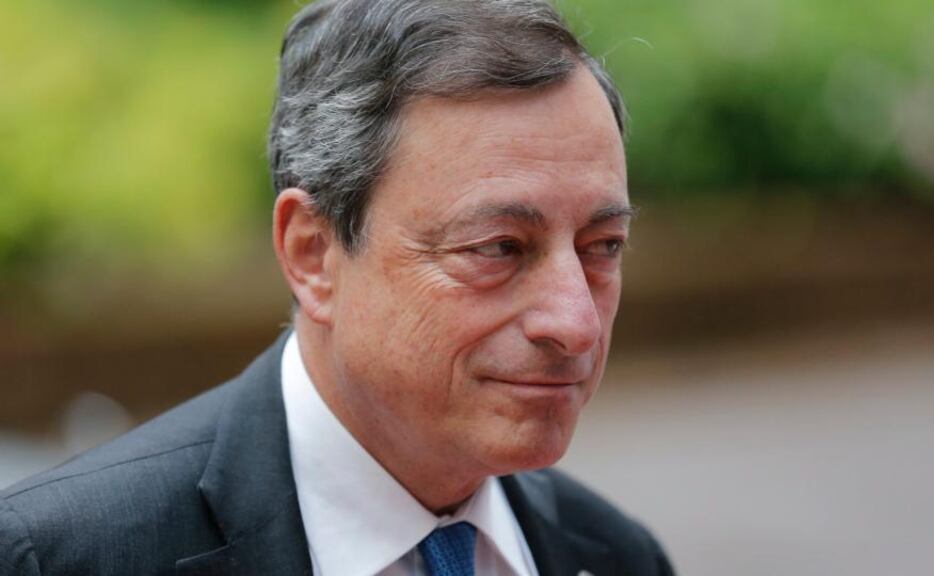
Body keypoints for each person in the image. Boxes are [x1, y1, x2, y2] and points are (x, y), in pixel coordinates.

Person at [0, 1, 674, 574]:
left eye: (601, 248)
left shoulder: (617, 555)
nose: (576, 322)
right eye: (497, 248)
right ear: (313, 253)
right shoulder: (63, 556)